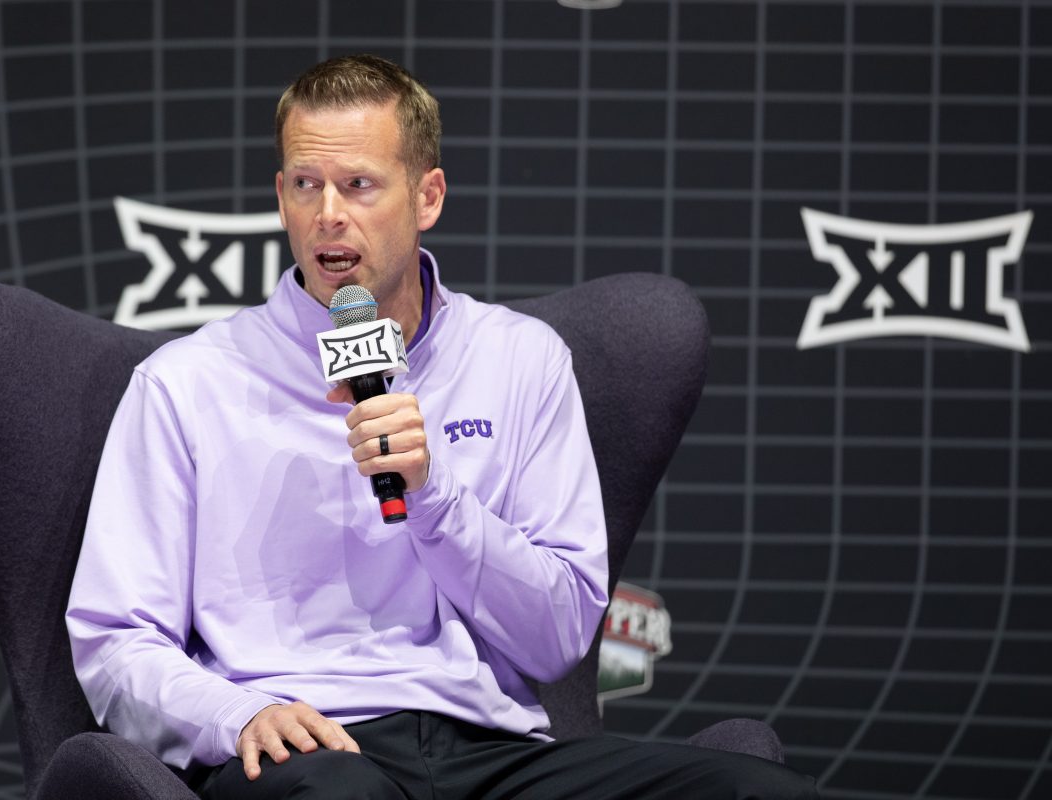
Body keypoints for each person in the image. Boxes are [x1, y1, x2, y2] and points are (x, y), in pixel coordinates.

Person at [66, 54, 817, 799]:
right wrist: (240, 715)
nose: (328, 212)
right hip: (308, 747)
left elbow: (557, 638)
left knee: (761, 793)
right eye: (305, 184)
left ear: (427, 196)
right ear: (281, 196)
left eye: (358, 185)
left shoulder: (520, 359)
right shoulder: (189, 382)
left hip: (489, 751)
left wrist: (435, 499)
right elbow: (115, 641)